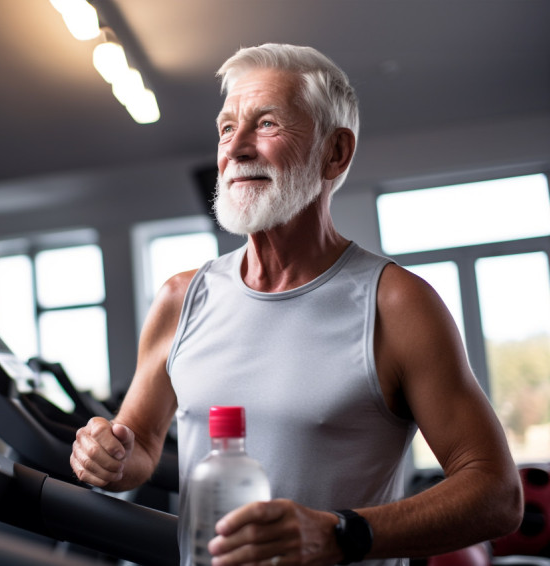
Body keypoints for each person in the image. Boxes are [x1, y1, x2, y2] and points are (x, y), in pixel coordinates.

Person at [70, 43, 523, 566]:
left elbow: (497, 493)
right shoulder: (181, 298)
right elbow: (141, 444)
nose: (235, 148)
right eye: (225, 128)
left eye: (266, 125)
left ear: (335, 153)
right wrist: (107, 454)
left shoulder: (397, 304)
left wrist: (337, 533)